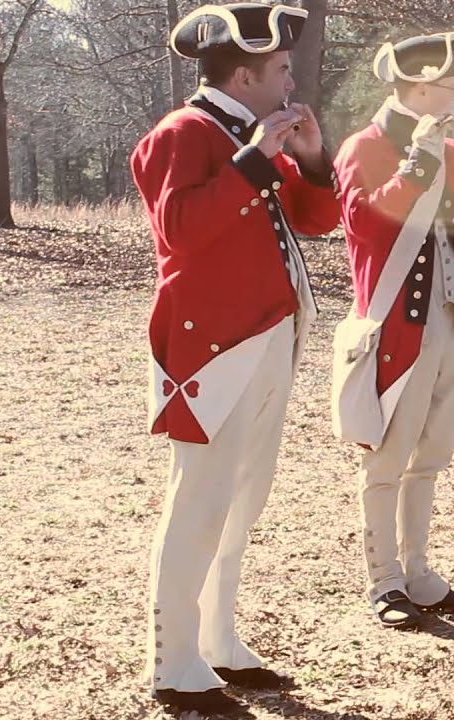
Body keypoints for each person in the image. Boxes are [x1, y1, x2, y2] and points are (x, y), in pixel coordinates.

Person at [131, 3, 341, 713]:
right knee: (199, 500)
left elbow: (316, 221)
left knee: (243, 499)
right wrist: (258, 157)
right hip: (211, 344)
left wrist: (309, 156)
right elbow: (180, 231)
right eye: (281, 69)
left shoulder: (247, 129)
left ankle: (219, 640)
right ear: (246, 72)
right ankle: (174, 660)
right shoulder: (182, 132)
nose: (290, 79)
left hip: (270, 333)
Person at [333, 33, 454, 629]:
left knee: (431, 455)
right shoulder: (364, 145)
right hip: (395, 326)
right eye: (453, 88)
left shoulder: (452, 145)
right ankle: (384, 580)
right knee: (386, 459)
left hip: (452, 319)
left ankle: (419, 572)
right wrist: (417, 163)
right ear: (419, 88)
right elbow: (363, 225)